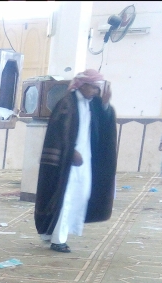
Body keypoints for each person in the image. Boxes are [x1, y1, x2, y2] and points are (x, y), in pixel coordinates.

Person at [35, 69, 118, 253]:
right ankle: (58, 240)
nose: (95, 92)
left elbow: (104, 125)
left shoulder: (93, 104)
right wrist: (70, 152)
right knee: (67, 197)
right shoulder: (67, 103)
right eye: (93, 88)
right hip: (67, 163)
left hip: (86, 161)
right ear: (82, 85)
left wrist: (106, 104)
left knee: (81, 195)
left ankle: (56, 234)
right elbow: (56, 132)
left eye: (97, 89)